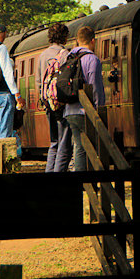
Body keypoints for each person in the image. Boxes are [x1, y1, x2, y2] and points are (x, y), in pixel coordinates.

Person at [64, 26, 104, 172]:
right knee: (91, 147)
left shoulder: (69, 57)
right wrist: (99, 109)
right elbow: (95, 86)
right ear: (93, 41)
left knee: (79, 146)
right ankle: (86, 181)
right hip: (85, 110)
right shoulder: (92, 59)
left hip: (69, 110)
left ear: (77, 41)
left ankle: (80, 180)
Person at [37, 22, 71, 172]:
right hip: (62, 104)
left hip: (48, 103)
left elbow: (39, 81)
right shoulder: (66, 55)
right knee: (64, 142)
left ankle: (49, 175)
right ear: (65, 37)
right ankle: (58, 176)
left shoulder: (42, 56)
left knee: (54, 142)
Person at [0, 23, 25, 139]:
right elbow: (7, 72)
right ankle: (5, 157)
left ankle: (2, 155)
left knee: (1, 126)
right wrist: (17, 94)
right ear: (4, 34)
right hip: (4, 93)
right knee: (5, 130)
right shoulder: (1, 48)